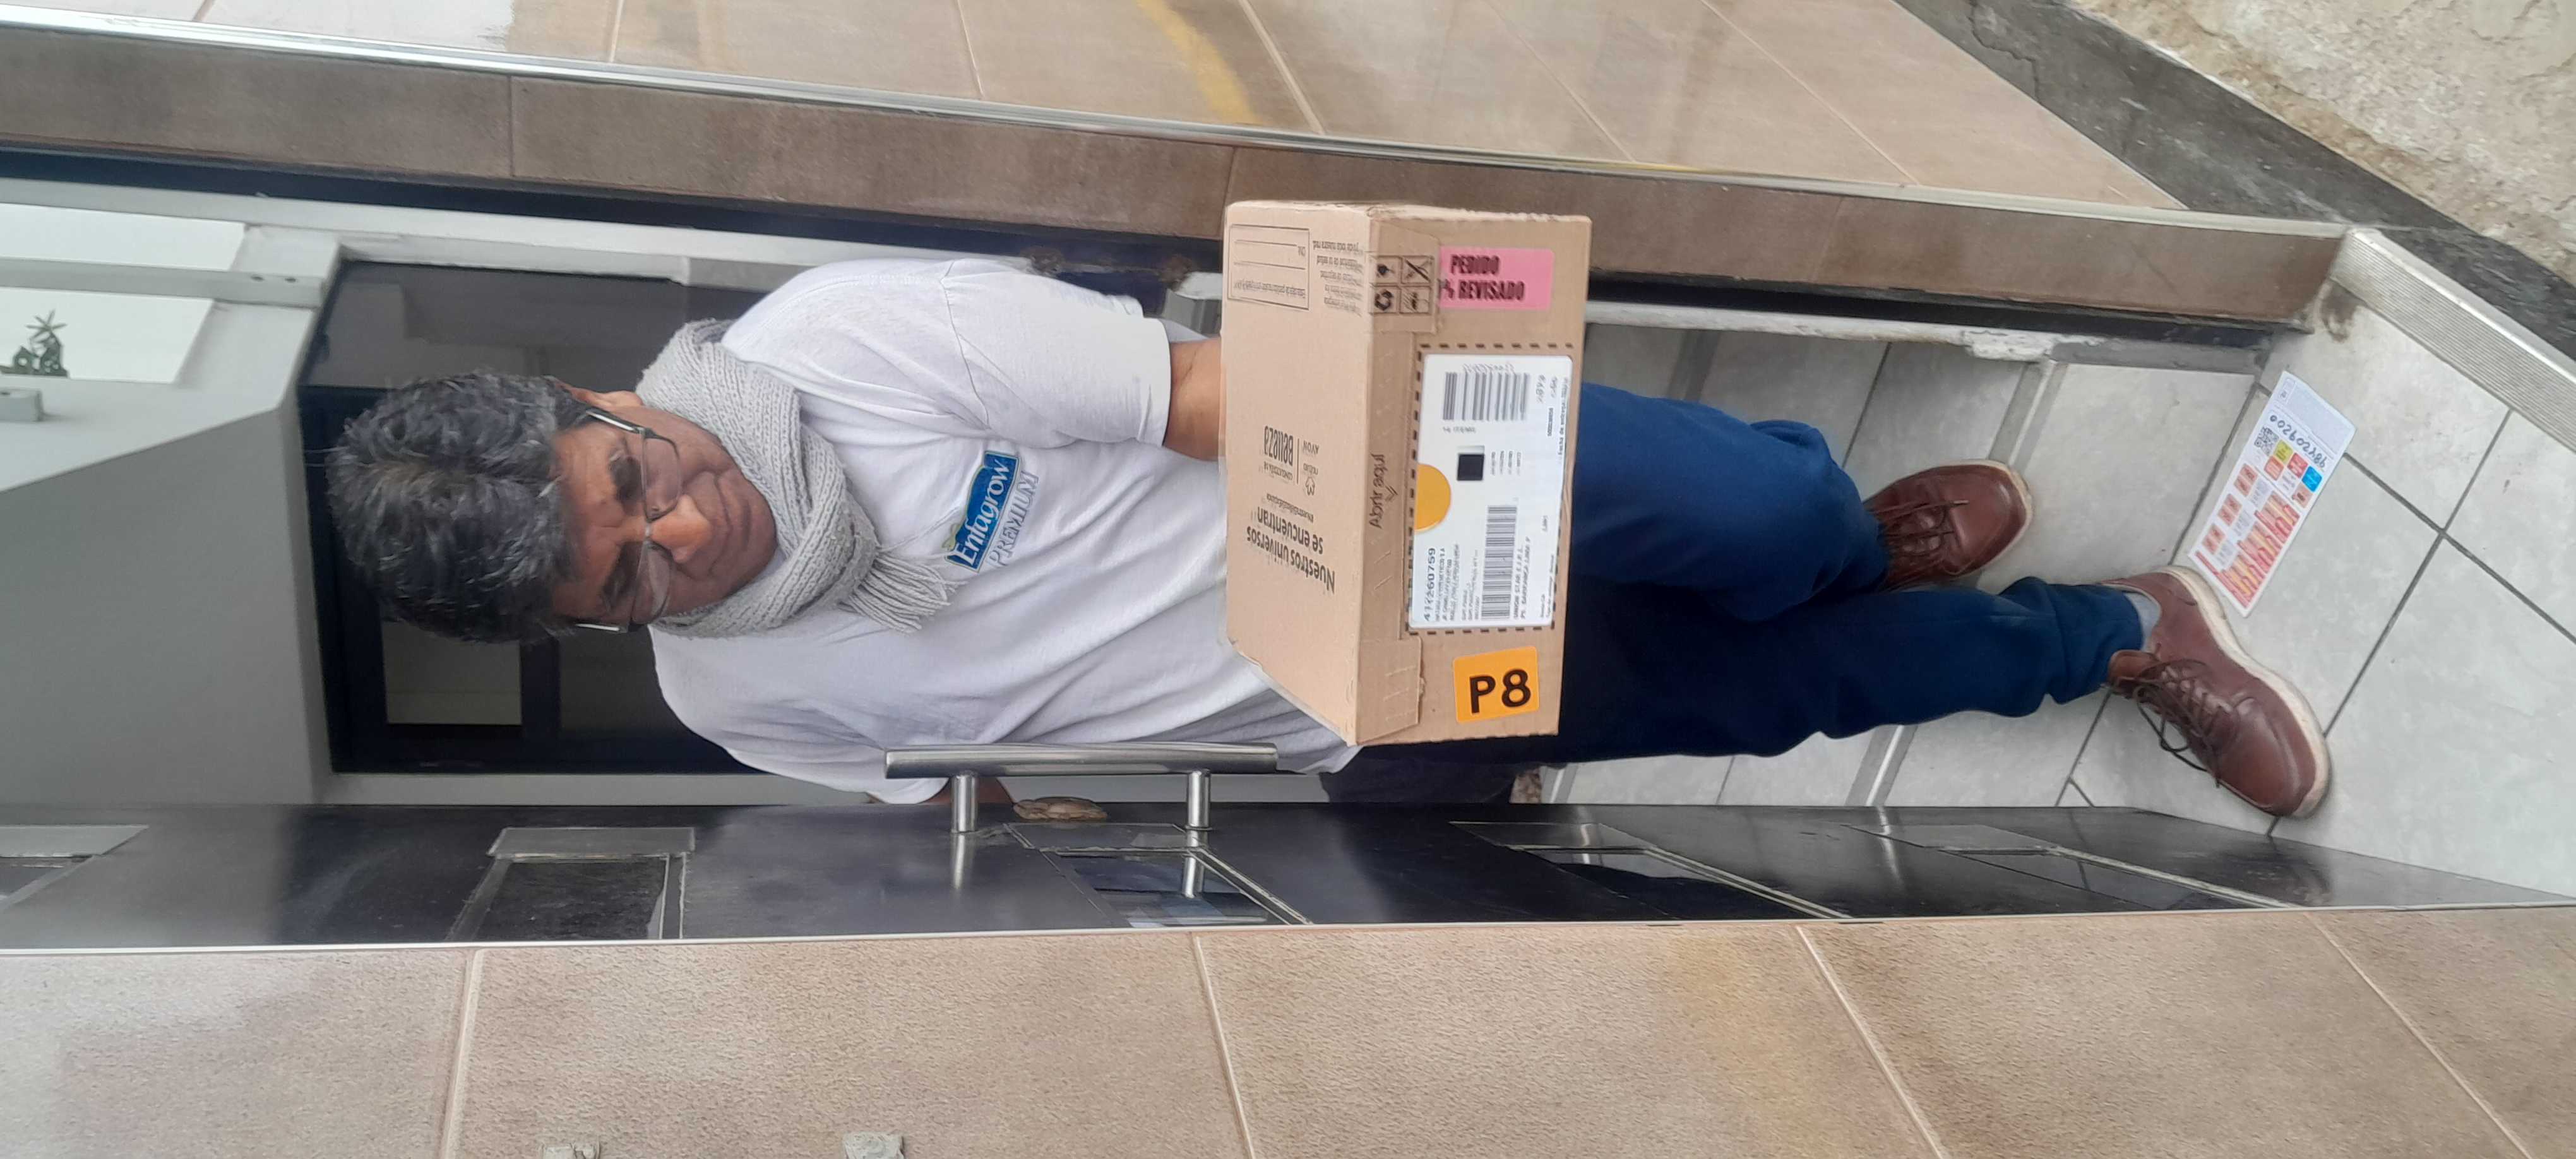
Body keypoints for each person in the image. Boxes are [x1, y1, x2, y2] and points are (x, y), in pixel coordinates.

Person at [327, 258, 2328, 817]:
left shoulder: (839, 341)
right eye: (628, 571)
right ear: (596, 630)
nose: (681, 526)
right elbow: (985, 781)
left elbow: (1217, 393)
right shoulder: (733, 700)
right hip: (1369, 698)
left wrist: (1434, 528)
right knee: (1789, 690)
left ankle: (1835, 532)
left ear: (593, 397)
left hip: (1391, 478)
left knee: (1762, 510)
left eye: (631, 476)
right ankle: (2113, 632)